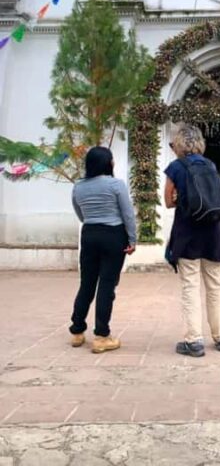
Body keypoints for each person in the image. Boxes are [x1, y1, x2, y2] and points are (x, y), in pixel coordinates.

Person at [164, 124, 220, 357]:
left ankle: (194, 340)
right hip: (213, 232)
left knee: (190, 285)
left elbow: (168, 202)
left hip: (188, 232)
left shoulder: (176, 167)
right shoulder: (210, 164)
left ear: (179, 144)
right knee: (215, 284)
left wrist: (179, 197)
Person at [69, 146, 136, 353]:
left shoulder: (78, 187)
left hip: (89, 234)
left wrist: (92, 221)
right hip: (113, 236)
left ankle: (77, 331)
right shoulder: (116, 185)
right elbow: (128, 215)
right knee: (107, 285)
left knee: (87, 284)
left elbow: (80, 214)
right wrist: (132, 239)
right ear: (108, 163)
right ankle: (101, 336)